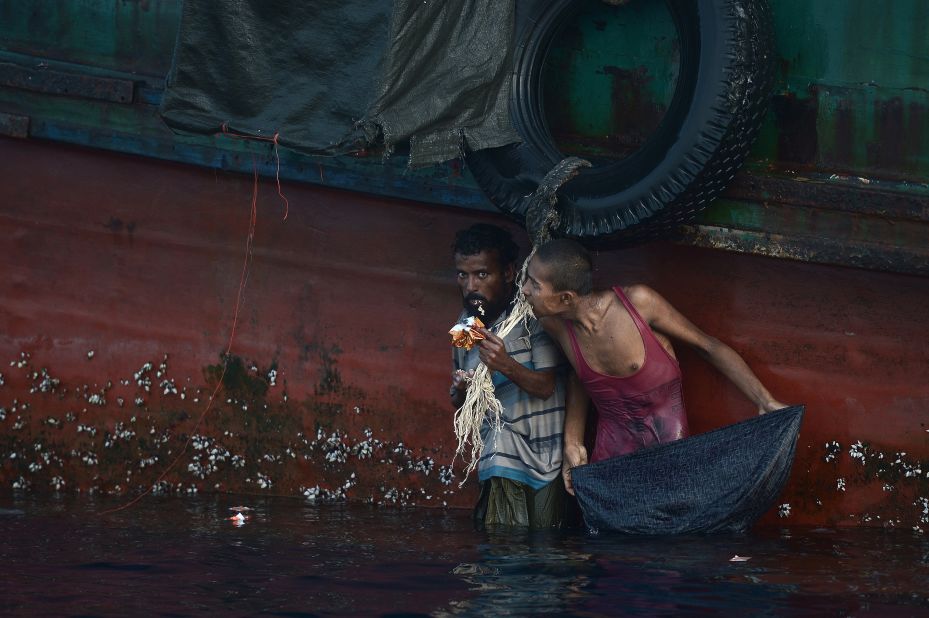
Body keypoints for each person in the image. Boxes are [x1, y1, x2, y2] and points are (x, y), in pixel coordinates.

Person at [519, 239, 786, 494]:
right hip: (610, 463)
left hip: (669, 453)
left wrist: (764, 400)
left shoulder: (639, 304)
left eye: (535, 284)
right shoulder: (554, 324)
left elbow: (708, 346)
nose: (525, 290)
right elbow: (580, 378)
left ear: (566, 298)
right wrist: (573, 443)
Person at [450, 224, 568, 528]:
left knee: (544, 549)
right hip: (499, 457)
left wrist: (505, 364)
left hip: (545, 458)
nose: (470, 285)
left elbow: (546, 387)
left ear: (508, 273)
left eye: (481, 274)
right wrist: (463, 388)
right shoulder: (465, 326)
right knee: (501, 549)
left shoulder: (533, 317)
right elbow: (459, 403)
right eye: (463, 275)